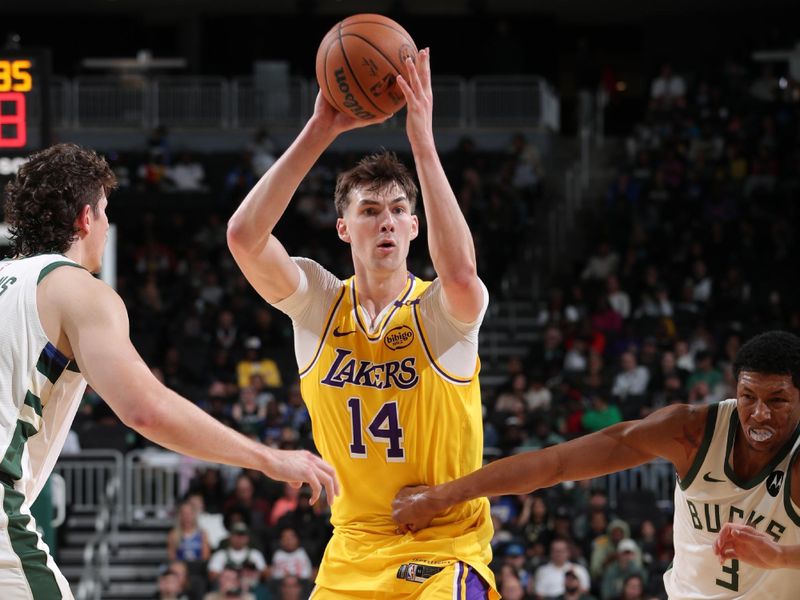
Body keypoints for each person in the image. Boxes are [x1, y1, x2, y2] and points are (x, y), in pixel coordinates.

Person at [0, 143, 337, 599]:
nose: (105, 226)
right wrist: (271, 459)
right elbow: (146, 410)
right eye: (103, 212)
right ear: (84, 219)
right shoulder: (78, 290)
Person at [227, 49, 497, 598]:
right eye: (370, 211)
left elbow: (463, 272)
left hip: (444, 549)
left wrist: (422, 139)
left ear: (416, 226)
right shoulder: (321, 305)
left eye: (399, 210)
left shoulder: (439, 314)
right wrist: (322, 125)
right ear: (344, 228)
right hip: (351, 550)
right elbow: (244, 239)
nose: (387, 222)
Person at [394, 330, 800, 598]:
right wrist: (438, 497)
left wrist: (780, 555)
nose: (759, 414)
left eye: (777, 400)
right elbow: (556, 464)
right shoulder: (692, 431)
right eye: (749, 397)